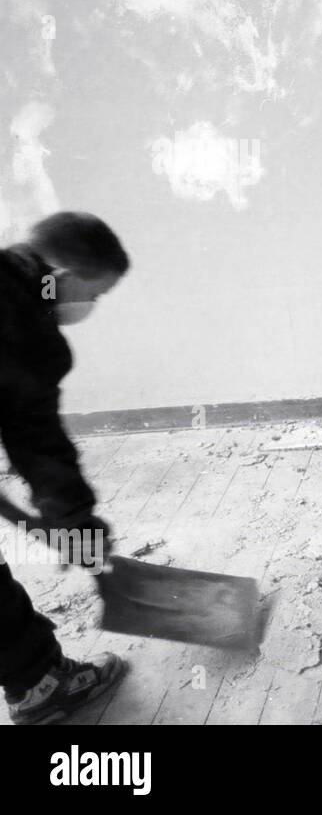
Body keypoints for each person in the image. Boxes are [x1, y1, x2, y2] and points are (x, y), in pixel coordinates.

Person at [0, 211, 129, 724]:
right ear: (66, 275)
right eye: (94, 295)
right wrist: (77, 524)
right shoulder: (30, 331)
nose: (90, 307)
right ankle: (40, 687)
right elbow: (39, 442)